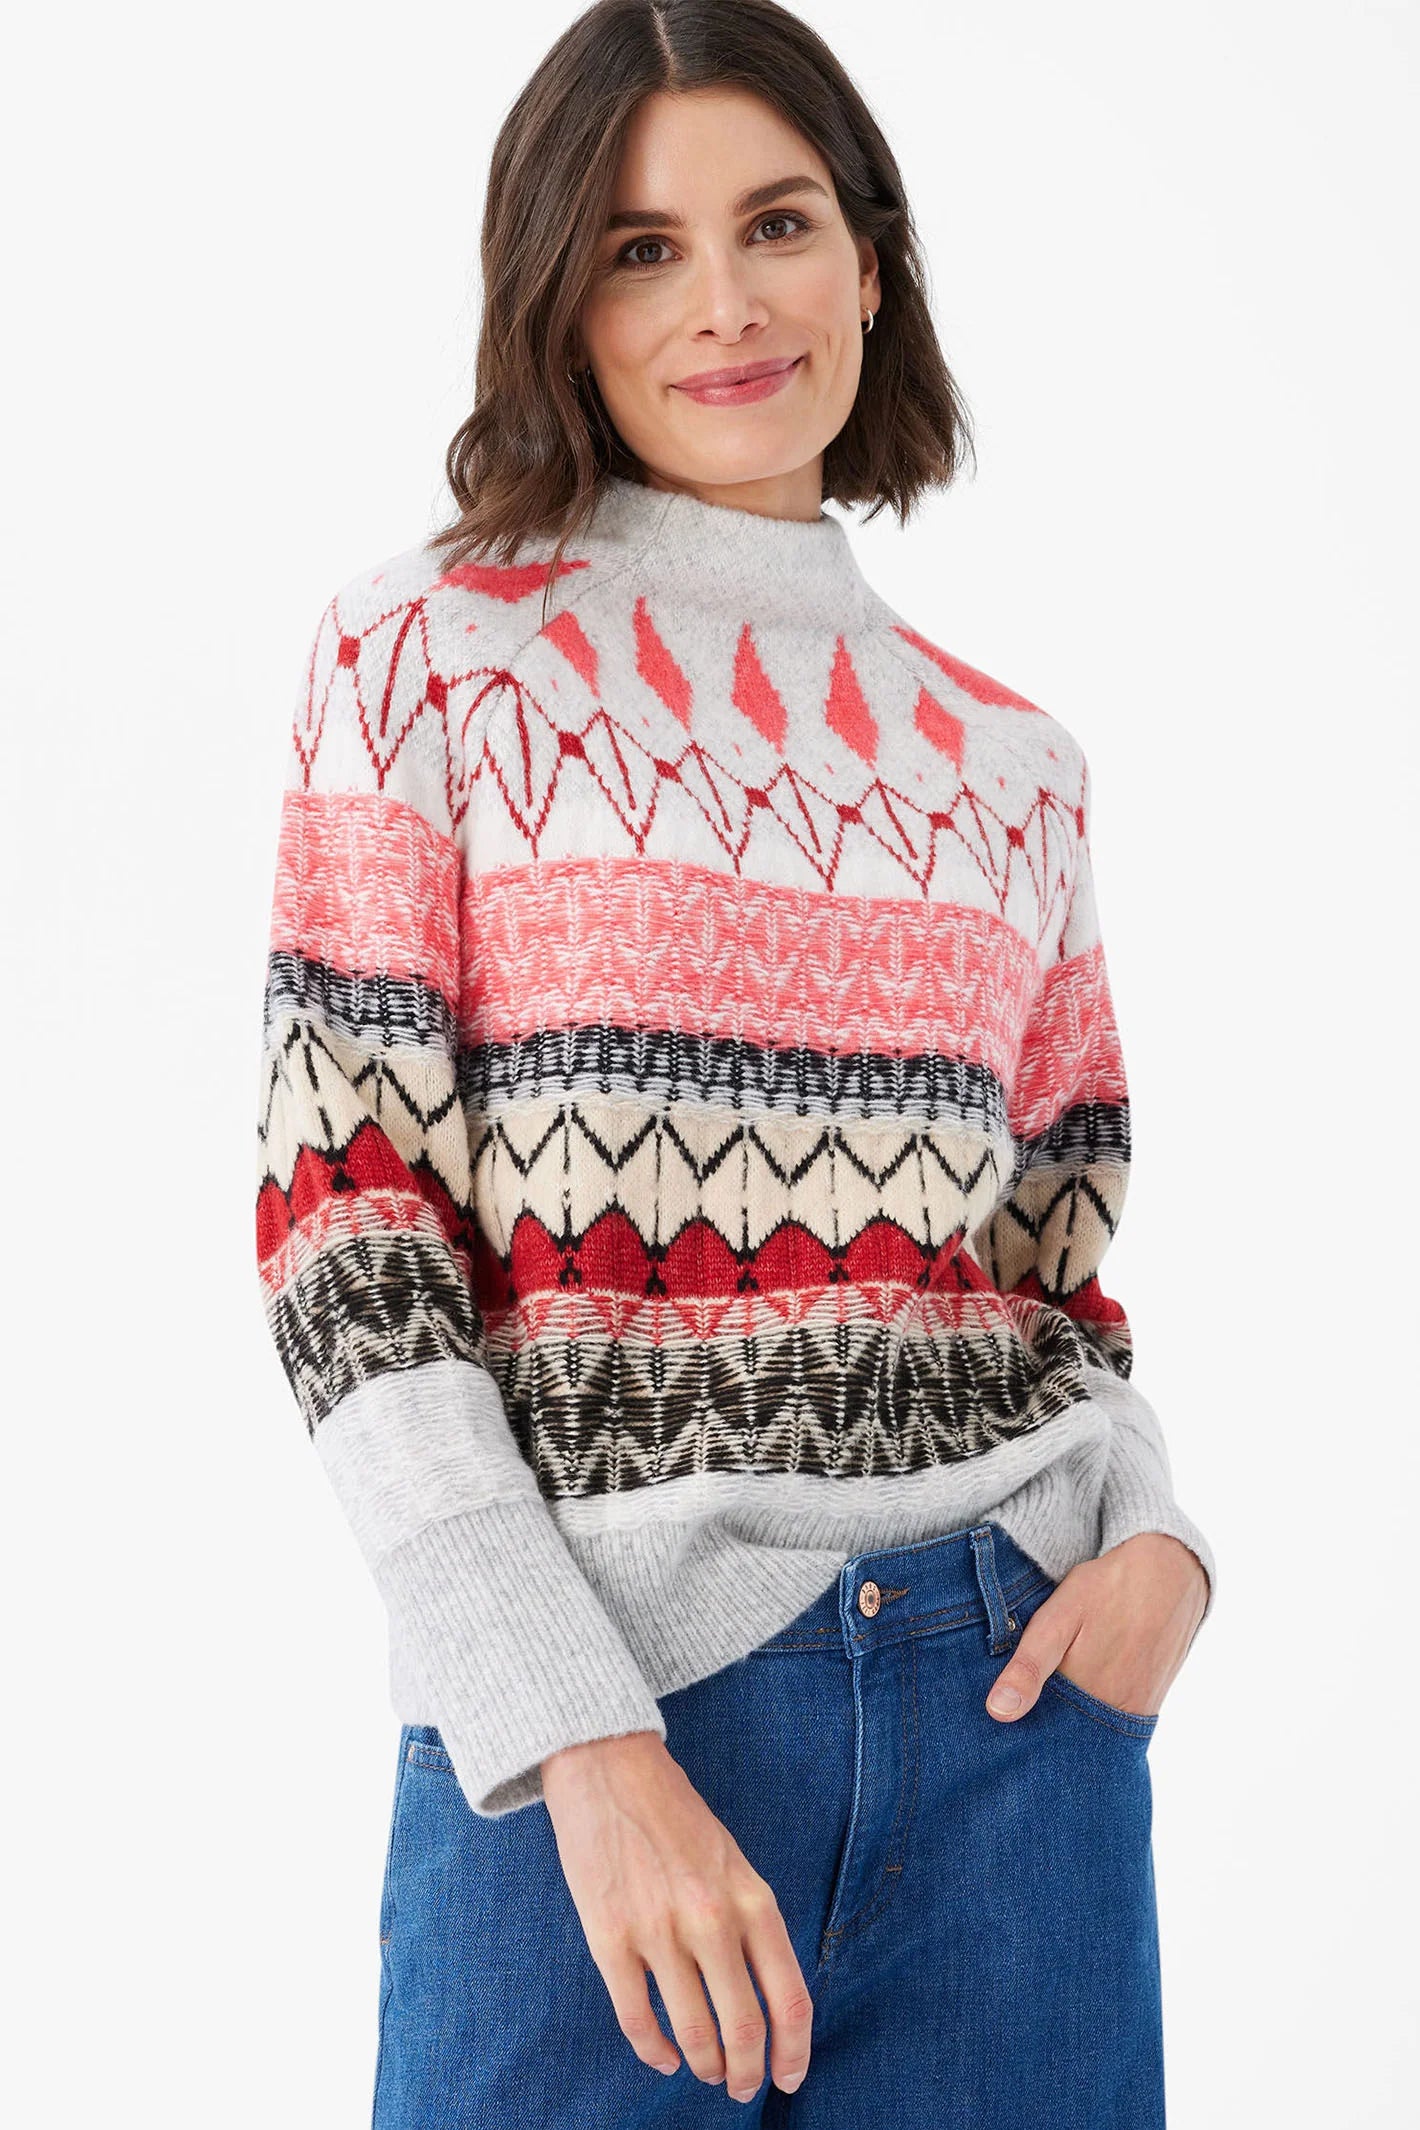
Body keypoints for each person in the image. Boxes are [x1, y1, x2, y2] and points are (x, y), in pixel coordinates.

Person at [253, 2, 1217, 2122]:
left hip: (1011, 1715)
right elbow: (347, 1242)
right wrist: (576, 1737)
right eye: (640, 247)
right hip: (596, 1740)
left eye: (775, 224)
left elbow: (1049, 1278)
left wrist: (1152, 1539)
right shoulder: (430, 654)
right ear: (557, 300)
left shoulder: (1011, 766)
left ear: (870, 261)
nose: (724, 302)